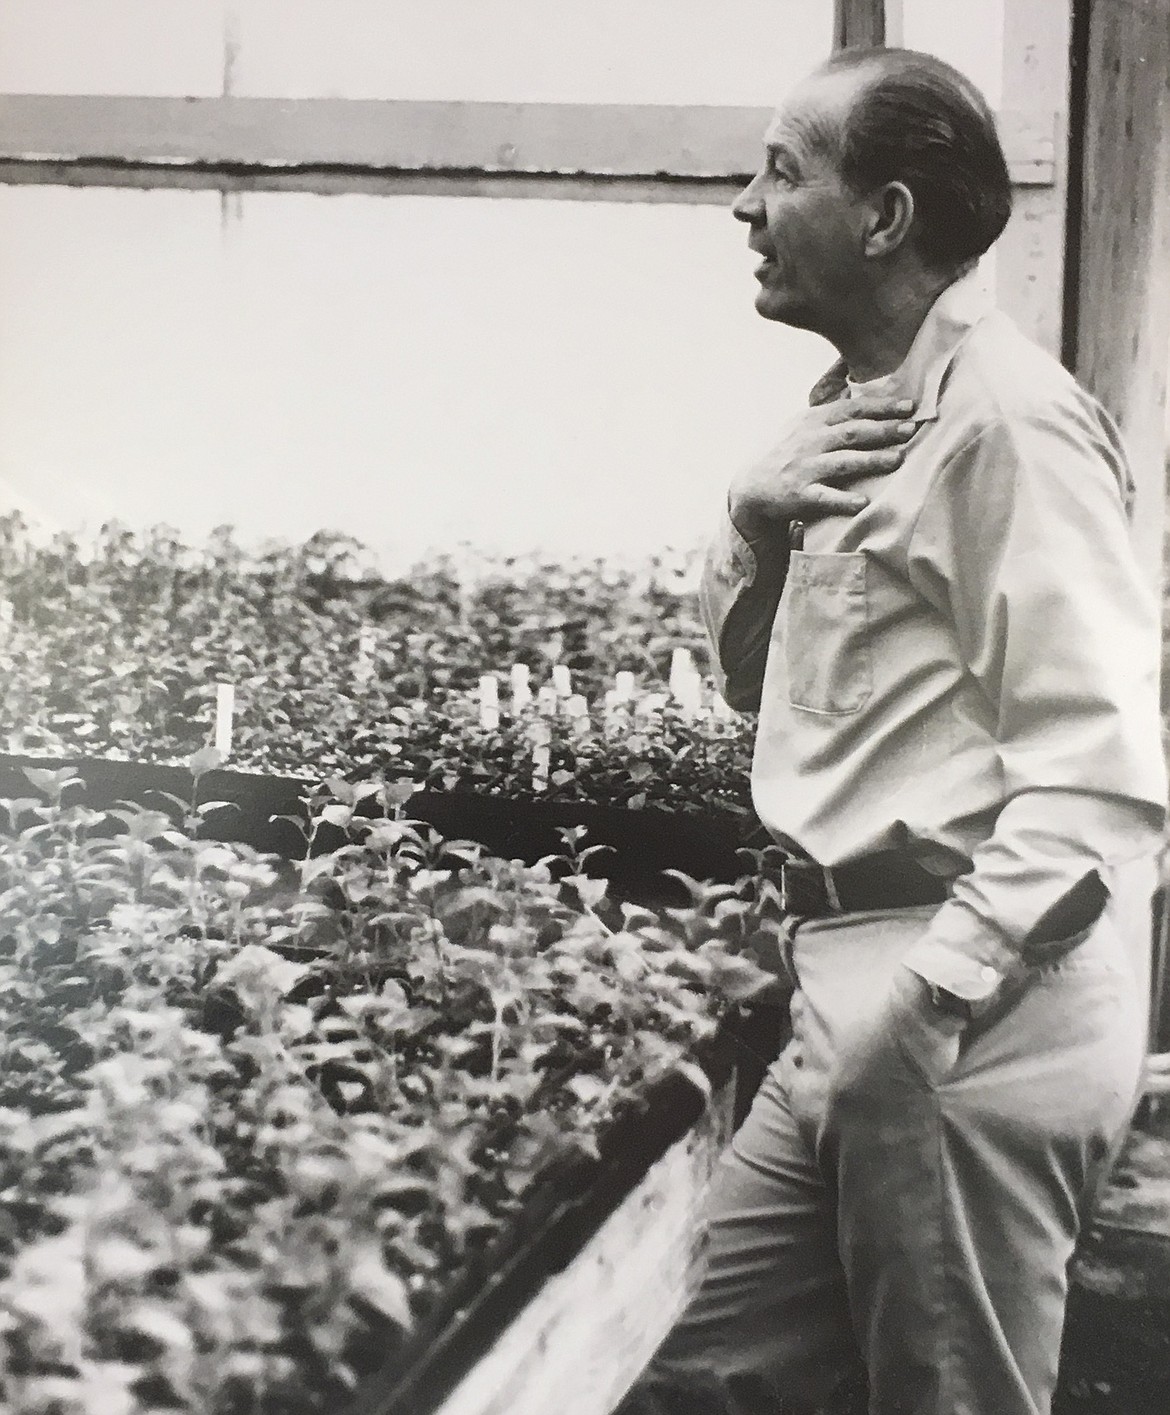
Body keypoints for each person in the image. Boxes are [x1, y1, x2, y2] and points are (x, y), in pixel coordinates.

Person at [618, 46, 1167, 1415]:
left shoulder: (1006, 428)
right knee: (700, 1387)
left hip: (966, 1006)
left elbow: (1098, 780)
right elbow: (768, 698)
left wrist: (927, 1006)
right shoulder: (859, 419)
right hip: (851, 988)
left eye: (783, 170)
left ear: (885, 219)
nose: (743, 205)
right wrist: (750, 521)